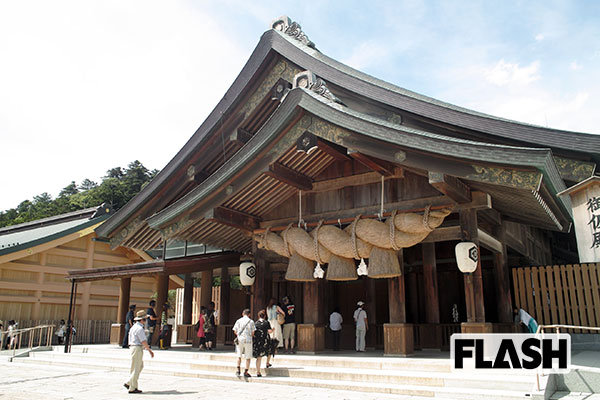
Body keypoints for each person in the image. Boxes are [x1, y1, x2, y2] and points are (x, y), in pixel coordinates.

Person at [123, 310, 154, 394]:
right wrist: (149, 350)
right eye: (145, 319)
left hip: (133, 347)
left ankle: (130, 382)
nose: (145, 321)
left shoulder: (133, 327)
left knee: (138, 366)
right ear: (142, 320)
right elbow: (143, 341)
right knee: (137, 367)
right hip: (137, 348)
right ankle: (132, 387)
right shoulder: (139, 328)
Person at [232, 308, 255, 377]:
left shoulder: (238, 321)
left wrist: (239, 335)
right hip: (248, 340)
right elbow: (253, 332)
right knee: (248, 357)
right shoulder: (251, 322)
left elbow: (235, 330)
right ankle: (246, 371)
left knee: (239, 355)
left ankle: (238, 370)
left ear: (243, 314)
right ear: (249, 314)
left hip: (240, 340)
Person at [253, 309, 274, 377]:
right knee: (269, 351)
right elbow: (269, 331)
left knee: (259, 357)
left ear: (258, 316)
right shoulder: (266, 322)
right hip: (265, 340)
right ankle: (267, 363)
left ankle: (258, 372)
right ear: (264, 316)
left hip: (258, 341)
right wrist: (273, 330)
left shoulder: (256, 323)